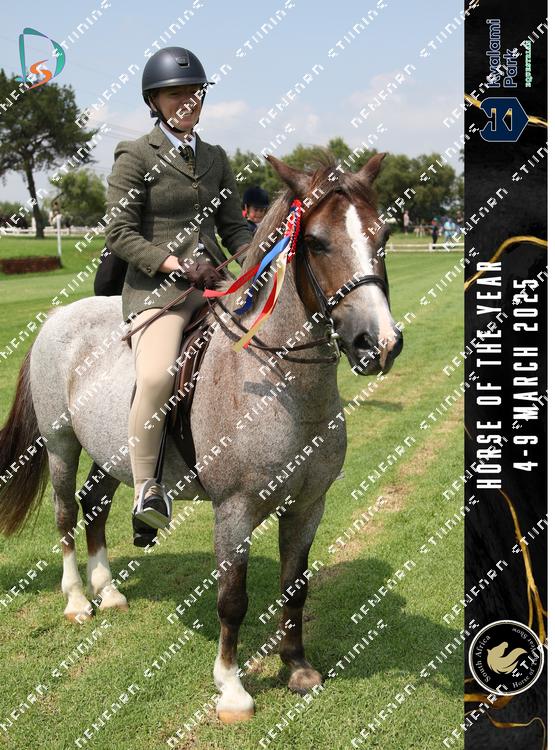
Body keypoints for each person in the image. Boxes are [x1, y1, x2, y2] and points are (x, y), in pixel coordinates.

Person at [104, 47, 252, 547]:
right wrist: (176, 264)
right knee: (155, 375)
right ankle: (147, 488)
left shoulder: (216, 158)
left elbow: (234, 228)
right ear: (154, 101)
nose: (188, 102)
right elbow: (119, 233)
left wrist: (256, 264)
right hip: (160, 291)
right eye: (176, 95)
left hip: (215, 285)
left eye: (195, 93)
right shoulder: (135, 155)